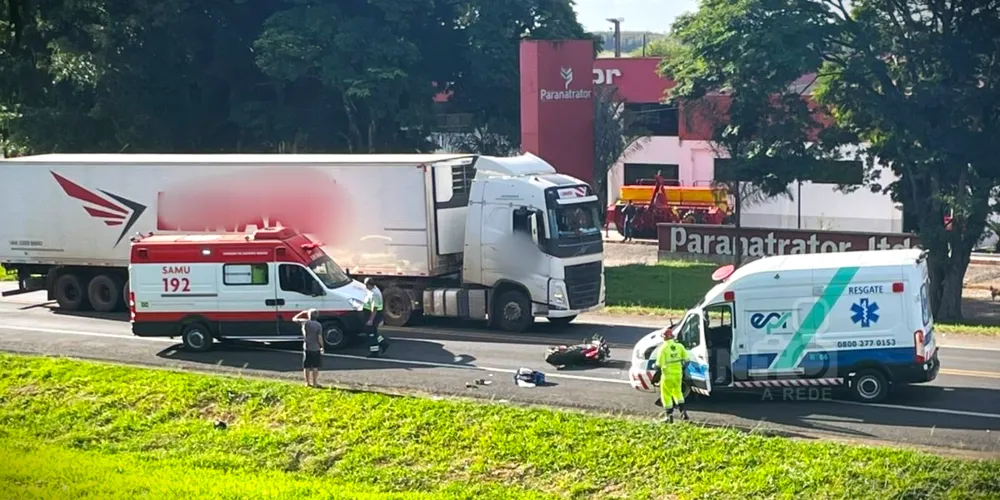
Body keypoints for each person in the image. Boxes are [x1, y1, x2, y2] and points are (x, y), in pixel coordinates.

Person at [656, 328, 690, 422]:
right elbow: (687, 360)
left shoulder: (662, 349)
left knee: (666, 395)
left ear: (663, 338)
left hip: (667, 375)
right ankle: (683, 413)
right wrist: (682, 368)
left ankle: (669, 416)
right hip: (678, 374)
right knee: (678, 393)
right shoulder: (679, 346)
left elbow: (658, 364)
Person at [292, 308, 324, 387]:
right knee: (315, 366)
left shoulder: (304, 322)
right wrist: (322, 346)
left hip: (307, 347)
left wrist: (302, 312)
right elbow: (319, 337)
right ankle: (315, 383)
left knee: (307, 366)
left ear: (308, 315)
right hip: (316, 348)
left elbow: (294, 319)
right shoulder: (319, 325)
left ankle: (307, 382)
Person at [361, 278, 387, 358]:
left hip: (373, 315)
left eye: (366, 285)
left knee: (371, 334)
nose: (365, 287)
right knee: (373, 332)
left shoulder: (374, 294)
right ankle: (383, 343)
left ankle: (374, 352)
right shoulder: (374, 289)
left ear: (369, 285)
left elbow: (374, 309)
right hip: (371, 314)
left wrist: (370, 320)